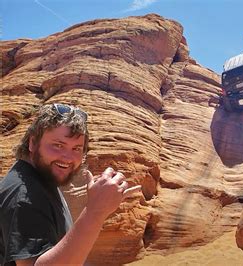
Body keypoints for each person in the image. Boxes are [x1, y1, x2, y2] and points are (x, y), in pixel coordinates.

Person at [0, 103, 141, 265]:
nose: (68, 158)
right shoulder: (25, 196)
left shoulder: (39, 179)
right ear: (32, 143)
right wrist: (95, 211)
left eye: (76, 149)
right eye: (58, 145)